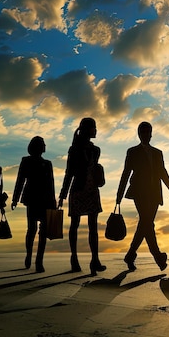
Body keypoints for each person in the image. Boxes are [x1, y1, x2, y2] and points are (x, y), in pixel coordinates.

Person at [116, 122, 169, 272]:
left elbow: (162, 172)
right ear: (139, 134)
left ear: (151, 134)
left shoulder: (158, 153)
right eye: (142, 132)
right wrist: (119, 195)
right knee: (147, 222)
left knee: (145, 224)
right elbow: (126, 172)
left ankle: (130, 255)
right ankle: (157, 256)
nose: (145, 134)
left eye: (147, 132)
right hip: (139, 193)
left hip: (155, 193)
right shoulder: (133, 151)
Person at [58, 117, 106, 275]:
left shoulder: (96, 149)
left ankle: (95, 260)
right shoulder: (74, 149)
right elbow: (69, 172)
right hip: (78, 189)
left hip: (92, 190)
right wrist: (63, 194)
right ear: (87, 130)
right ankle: (74, 258)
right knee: (75, 224)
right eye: (94, 127)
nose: (96, 130)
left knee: (93, 227)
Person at [11, 136, 57, 273]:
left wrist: (53, 202)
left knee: (42, 232)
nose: (42, 147)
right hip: (32, 199)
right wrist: (15, 198)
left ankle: (39, 261)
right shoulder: (26, 161)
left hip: (45, 200)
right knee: (32, 229)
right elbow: (20, 180)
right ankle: (29, 255)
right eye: (41, 144)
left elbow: (51, 183)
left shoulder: (47, 163)